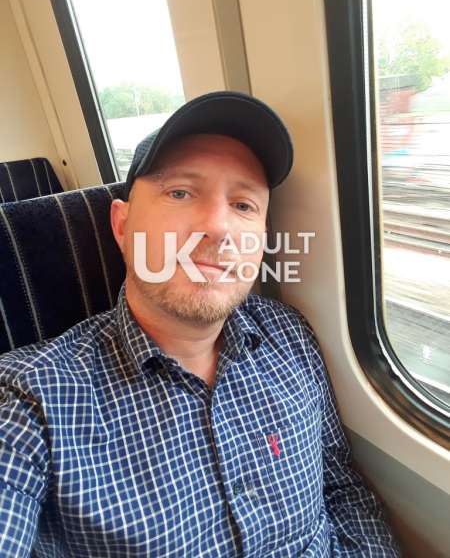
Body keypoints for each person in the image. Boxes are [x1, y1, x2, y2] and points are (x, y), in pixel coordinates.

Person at [0, 91, 401, 557]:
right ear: (122, 226)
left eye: (244, 205)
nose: (218, 228)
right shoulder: (30, 397)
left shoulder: (290, 333)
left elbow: (341, 487)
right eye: (180, 193)